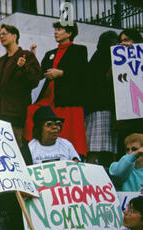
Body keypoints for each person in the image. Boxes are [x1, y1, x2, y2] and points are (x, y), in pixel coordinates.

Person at [23, 106, 81, 230]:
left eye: (58, 124)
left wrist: (75, 164)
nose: (55, 128)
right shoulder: (30, 148)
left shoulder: (66, 145)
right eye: (50, 124)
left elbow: (78, 163)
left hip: (68, 196)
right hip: (44, 200)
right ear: (40, 127)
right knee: (45, 216)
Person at [24, 21, 88, 158]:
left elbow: (83, 74)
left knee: (70, 133)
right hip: (48, 98)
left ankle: (73, 158)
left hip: (67, 99)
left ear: (70, 33)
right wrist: (31, 59)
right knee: (31, 110)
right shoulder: (49, 54)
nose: (56, 32)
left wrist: (62, 73)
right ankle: (35, 150)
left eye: (59, 29)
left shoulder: (80, 50)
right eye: (56, 29)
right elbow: (40, 75)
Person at [85, 31, 119, 169]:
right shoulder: (102, 57)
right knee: (99, 147)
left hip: (100, 108)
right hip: (102, 108)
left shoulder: (97, 57)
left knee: (100, 147)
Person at [114, 29, 142, 158]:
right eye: (121, 41)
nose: (123, 44)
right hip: (126, 117)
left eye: (126, 40)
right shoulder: (116, 60)